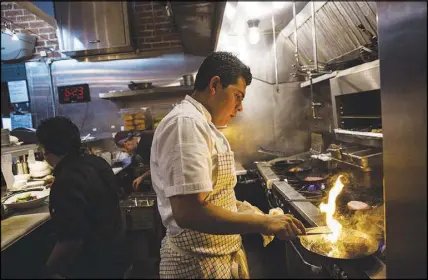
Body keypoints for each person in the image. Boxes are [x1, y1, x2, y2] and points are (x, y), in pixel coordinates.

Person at [150, 52, 306, 279]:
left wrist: (242, 209)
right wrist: (262, 222)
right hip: (197, 268)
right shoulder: (186, 124)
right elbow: (189, 212)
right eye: (237, 96)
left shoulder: (201, 123)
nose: (239, 107)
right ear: (215, 85)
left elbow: (210, 198)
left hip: (214, 261)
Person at [36, 116, 127, 279]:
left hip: (93, 267)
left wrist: (47, 272)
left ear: (47, 150)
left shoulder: (66, 181)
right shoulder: (98, 163)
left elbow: (71, 241)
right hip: (117, 256)